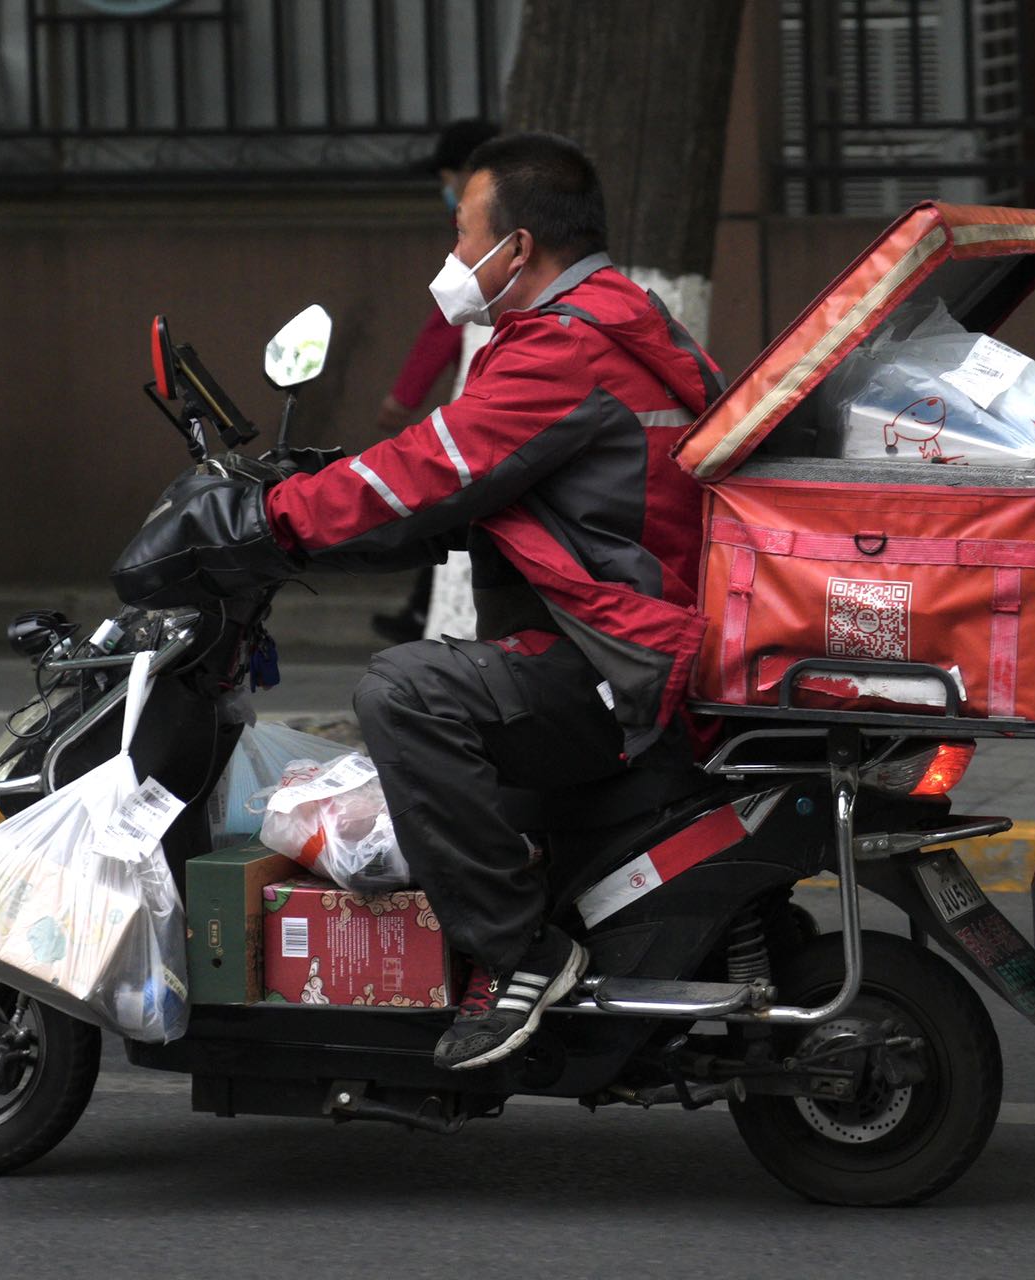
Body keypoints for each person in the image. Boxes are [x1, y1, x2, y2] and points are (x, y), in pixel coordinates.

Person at [113, 133, 723, 1069]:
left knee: (405, 692)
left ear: (516, 248)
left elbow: (428, 471)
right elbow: (464, 481)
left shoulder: (564, 346)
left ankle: (522, 952)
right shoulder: (617, 321)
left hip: (617, 657)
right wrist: (322, 492)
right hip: (627, 633)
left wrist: (266, 520)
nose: (452, 256)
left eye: (461, 231)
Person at [369, 119, 498, 647]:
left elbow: (446, 321)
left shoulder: (489, 239)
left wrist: (406, 394)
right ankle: (426, 605)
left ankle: (428, 609)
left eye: (447, 176)